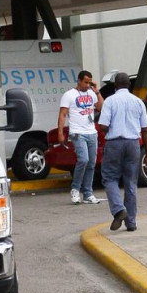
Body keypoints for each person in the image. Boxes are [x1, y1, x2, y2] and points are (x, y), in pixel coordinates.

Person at [97, 72, 147, 232]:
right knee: (131, 183)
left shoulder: (110, 101)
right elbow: (145, 130)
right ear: (129, 85)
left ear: (115, 85)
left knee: (109, 178)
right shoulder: (138, 102)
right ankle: (131, 223)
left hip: (114, 143)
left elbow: (103, 126)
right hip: (133, 144)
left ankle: (119, 210)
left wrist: (109, 128)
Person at [57, 70, 101, 205]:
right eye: (85, 82)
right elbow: (62, 114)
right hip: (77, 132)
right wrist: (60, 133)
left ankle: (88, 193)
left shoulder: (91, 93)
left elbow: (100, 107)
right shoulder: (69, 95)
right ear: (79, 81)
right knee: (83, 160)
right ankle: (75, 189)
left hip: (91, 132)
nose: (88, 85)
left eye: (90, 82)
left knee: (92, 163)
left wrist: (97, 91)